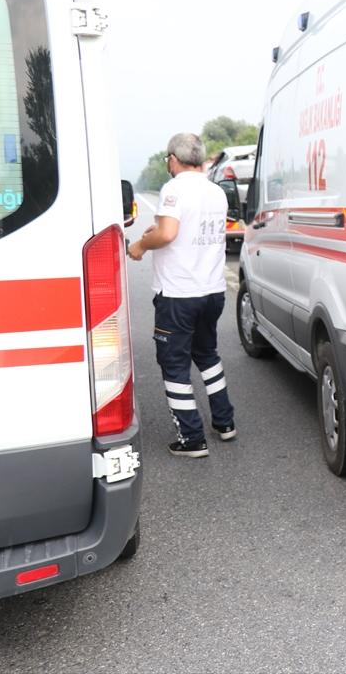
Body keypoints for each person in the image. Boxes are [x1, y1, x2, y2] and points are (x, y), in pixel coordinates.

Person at [127, 132, 237, 458]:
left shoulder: (173, 188)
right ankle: (224, 421)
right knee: (207, 355)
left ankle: (192, 439)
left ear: (173, 159)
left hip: (179, 293)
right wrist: (156, 232)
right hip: (212, 291)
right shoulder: (216, 191)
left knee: (174, 363)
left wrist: (141, 244)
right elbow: (185, 231)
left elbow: (169, 232)